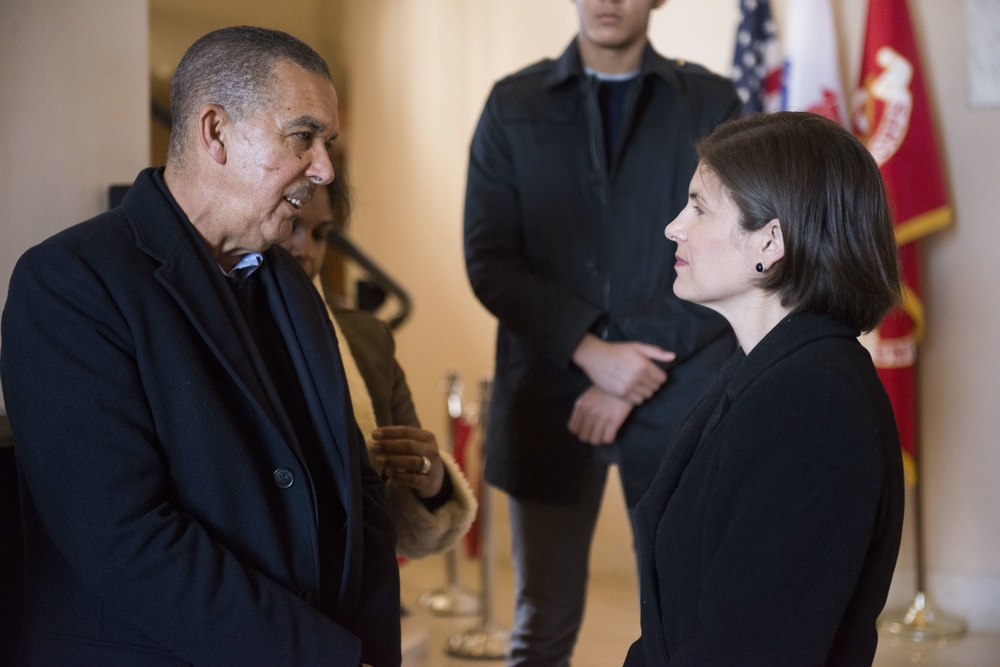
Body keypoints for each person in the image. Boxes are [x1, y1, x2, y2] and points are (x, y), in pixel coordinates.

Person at [1, 27, 399, 666]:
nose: (324, 168)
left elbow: (358, 495)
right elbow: (125, 538)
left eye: (328, 144)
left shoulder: (292, 285)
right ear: (215, 132)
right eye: (303, 137)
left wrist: (372, 651)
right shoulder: (71, 281)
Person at [463, 1, 741, 664]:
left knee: (682, 614)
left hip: (678, 390)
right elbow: (489, 257)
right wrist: (592, 350)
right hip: (548, 391)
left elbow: (732, 249)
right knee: (543, 619)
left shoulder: (710, 100)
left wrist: (628, 374)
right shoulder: (514, 102)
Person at [624, 111, 905, 665]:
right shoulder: (771, 373)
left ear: (770, 241)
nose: (673, 227)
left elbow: (752, 644)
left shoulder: (812, 401)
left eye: (699, 206)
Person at [281, 176, 476, 559]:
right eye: (291, 227)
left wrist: (432, 483)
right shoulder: (209, 334)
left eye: (320, 234)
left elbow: (405, 523)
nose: (306, 251)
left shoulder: (368, 340)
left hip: (356, 587)